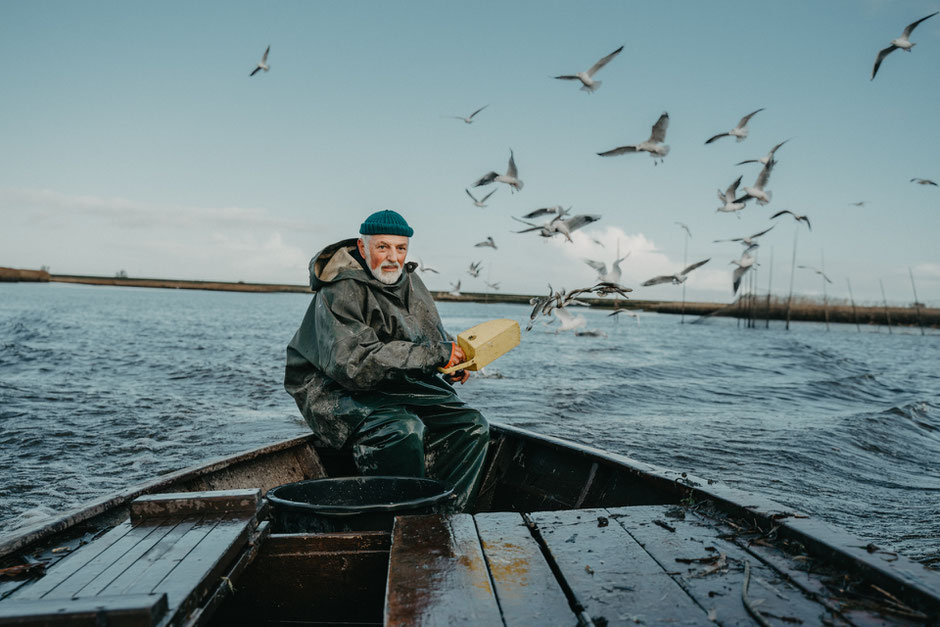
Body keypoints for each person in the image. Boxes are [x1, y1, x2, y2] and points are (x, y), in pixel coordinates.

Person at [284, 210, 489, 511]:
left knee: (473, 426)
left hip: (395, 382)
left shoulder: (412, 281)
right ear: (363, 247)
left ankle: (446, 516)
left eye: (400, 248)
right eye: (383, 247)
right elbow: (354, 364)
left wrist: (451, 363)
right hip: (337, 390)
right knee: (401, 430)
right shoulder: (340, 289)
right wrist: (436, 354)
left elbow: (429, 341)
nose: (393, 257)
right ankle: (406, 519)